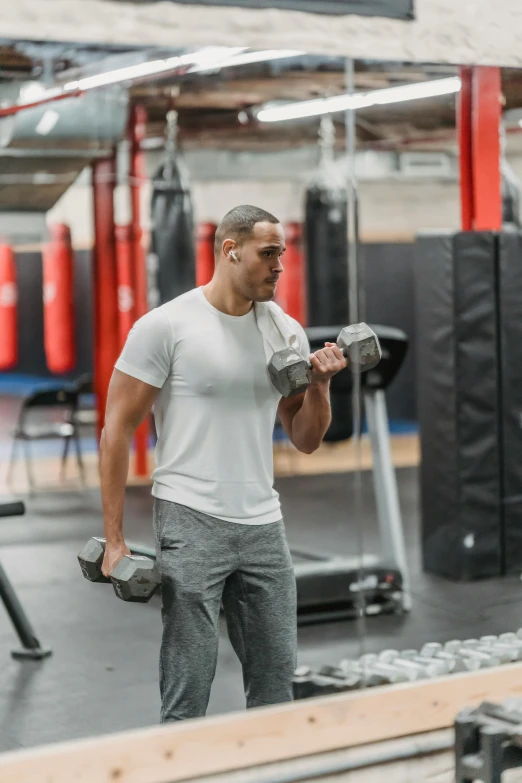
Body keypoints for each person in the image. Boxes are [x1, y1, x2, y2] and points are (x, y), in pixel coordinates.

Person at [99, 204, 347, 722]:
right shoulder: (165, 326)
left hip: (263, 522)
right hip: (190, 518)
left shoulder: (286, 332)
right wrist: (115, 537)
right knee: (188, 687)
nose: (279, 265)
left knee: (277, 683)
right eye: (268, 253)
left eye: (282, 253)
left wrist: (320, 385)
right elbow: (116, 430)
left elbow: (305, 440)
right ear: (230, 251)